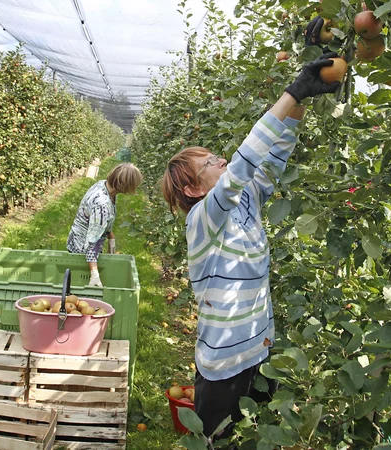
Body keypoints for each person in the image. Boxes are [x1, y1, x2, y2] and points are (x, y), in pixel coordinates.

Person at [161, 53, 341, 440]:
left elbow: (274, 155)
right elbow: (243, 164)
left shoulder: (246, 200)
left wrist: (303, 97)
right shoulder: (202, 219)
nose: (222, 160)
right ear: (194, 189)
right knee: (220, 441)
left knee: (257, 438)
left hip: (258, 352)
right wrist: (290, 91)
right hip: (224, 364)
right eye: (211, 161)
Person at [67, 162, 142, 287]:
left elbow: (100, 222)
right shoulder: (102, 204)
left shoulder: (103, 185)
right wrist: (94, 272)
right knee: (81, 287)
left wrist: (110, 235)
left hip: (77, 238)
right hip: (82, 250)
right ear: (125, 186)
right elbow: (92, 241)